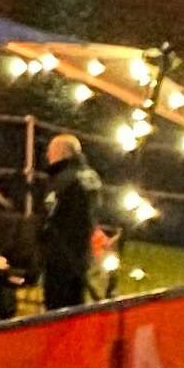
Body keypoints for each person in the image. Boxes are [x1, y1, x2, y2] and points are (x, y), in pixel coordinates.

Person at [37, 130, 103, 312]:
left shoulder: (62, 181)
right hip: (83, 252)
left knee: (57, 307)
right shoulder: (91, 176)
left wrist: (39, 239)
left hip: (61, 255)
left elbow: (48, 216)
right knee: (77, 307)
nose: (47, 156)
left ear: (60, 153)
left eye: (50, 152)